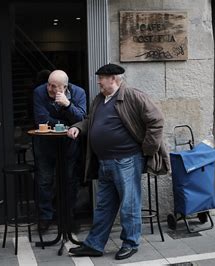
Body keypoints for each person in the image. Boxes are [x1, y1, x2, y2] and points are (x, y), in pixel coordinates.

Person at [66, 63, 170, 260]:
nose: (98, 81)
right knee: (104, 205)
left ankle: (130, 242)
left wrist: (147, 150)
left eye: (101, 78)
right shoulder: (99, 99)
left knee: (129, 204)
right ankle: (95, 244)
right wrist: (78, 127)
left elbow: (156, 120)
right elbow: (90, 120)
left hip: (127, 160)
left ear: (113, 78)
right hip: (105, 162)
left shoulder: (132, 96)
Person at [33, 70, 87, 232]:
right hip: (45, 145)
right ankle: (45, 216)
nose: (49, 88)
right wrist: (66, 124)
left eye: (54, 86)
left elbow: (81, 120)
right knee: (44, 180)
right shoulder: (39, 92)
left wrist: (68, 105)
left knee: (70, 180)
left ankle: (67, 215)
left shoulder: (78, 93)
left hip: (69, 145)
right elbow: (41, 119)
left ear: (64, 87)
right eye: (49, 84)